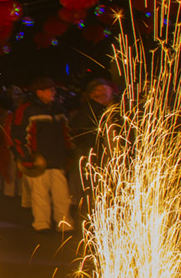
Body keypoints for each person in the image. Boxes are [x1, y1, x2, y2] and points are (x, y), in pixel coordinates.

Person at [11, 77, 74, 232]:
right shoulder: (27, 110)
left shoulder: (58, 108)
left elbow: (67, 133)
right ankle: (41, 223)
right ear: (39, 92)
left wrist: (69, 152)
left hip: (57, 158)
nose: (54, 92)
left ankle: (64, 223)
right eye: (50, 89)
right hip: (38, 160)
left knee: (62, 194)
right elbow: (19, 135)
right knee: (40, 193)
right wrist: (26, 157)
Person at [68, 78, 114, 203]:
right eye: (98, 90)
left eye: (104, 89)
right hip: (89, 149)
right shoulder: (89, 108)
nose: (102, 92)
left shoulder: (116, 107)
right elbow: (78, 123)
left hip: (111, 151)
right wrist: (95, 104)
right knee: (88, 180)